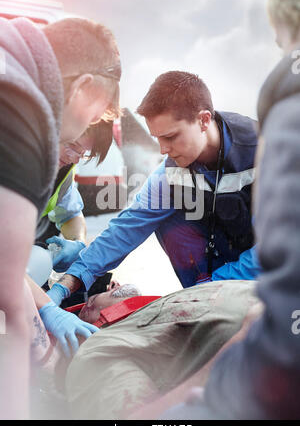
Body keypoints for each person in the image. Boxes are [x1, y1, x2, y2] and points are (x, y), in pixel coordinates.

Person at [144, 0, 300, 420]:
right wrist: (78, 274)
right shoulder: (169, 174)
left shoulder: (283, 111)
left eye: (280, 43)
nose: (164, 151)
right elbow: (130, 223)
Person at [47, 71, 258, 307]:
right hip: (211, 283)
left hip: (273, 270)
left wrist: (214, 287)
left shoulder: (268, 154)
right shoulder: (172, 172)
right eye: (157, 138)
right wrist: (68, 282)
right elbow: (127, 228)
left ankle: (204, 298)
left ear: (204, 120)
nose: (162, 150)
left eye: (170, 136)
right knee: (168, 216)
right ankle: (201, 304)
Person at [0, 15, 121, 419]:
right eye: (93, 115)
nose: (77, 139)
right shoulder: (20, 112)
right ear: (83, 87)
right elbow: (7, 282)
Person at [64, 279, 259, 420]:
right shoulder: (98, 351)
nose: (113, 284)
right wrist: (237, 349)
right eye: (89, 303)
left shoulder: (172, 301)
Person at [38, 120, 114, 273]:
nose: (75, 159)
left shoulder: (63, 173)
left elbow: (70, 215)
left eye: (83, 154)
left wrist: (77, 242)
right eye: (72, 145)